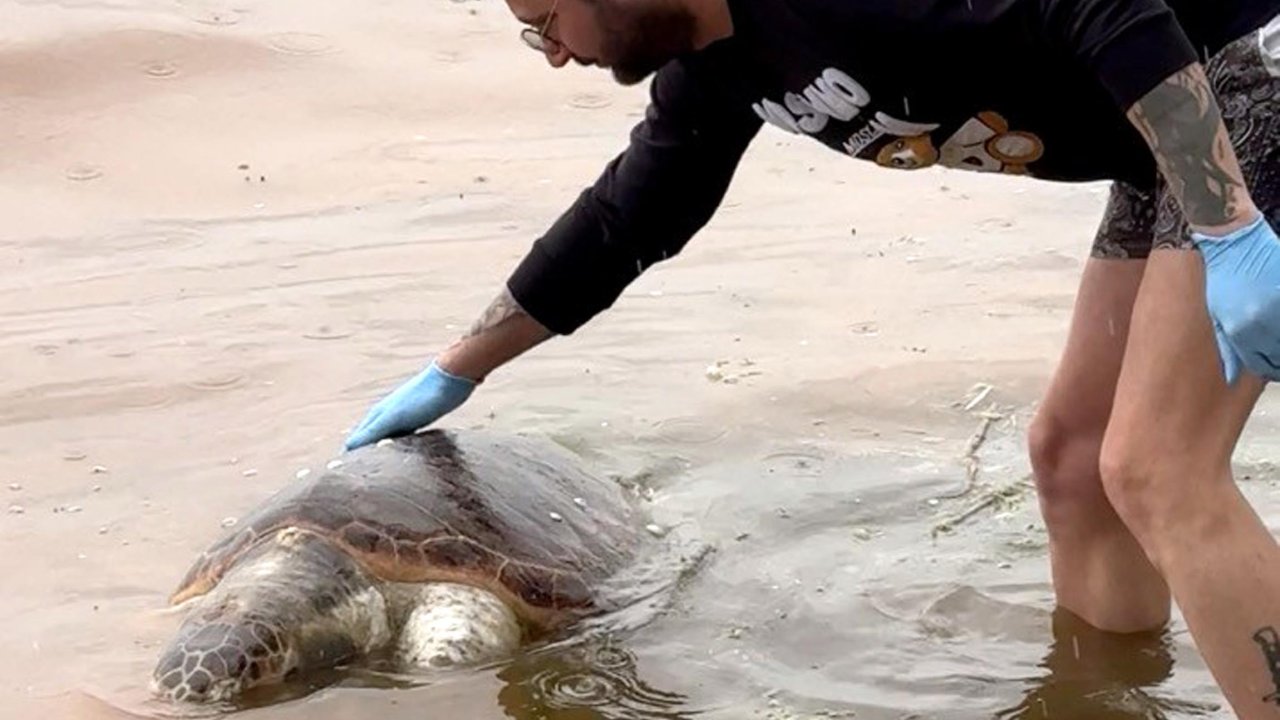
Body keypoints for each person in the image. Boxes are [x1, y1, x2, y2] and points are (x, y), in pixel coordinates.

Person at [343, 0, 1280, 715]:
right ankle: (1106, 700)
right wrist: (458, 369)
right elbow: (626, 217)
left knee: (1157, 469)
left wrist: (1231, 228)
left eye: (546, 20)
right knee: (1072, 462)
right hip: (1166, 141)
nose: (550, 50)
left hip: (1241, 88)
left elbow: (1108, 7)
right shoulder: (720, 65)